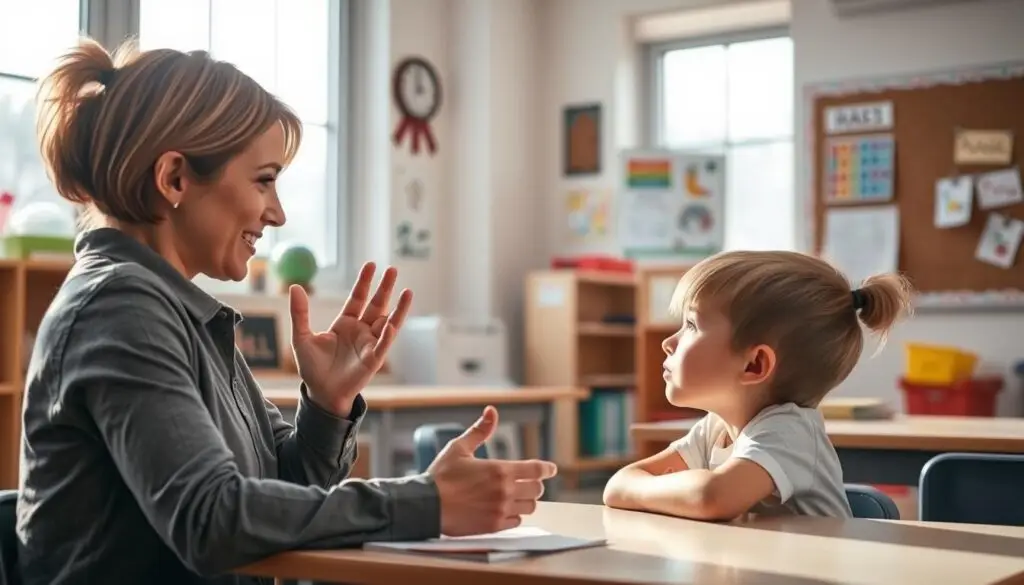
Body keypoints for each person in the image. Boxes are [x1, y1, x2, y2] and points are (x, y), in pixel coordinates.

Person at [18, 38, 556, 585]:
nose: (276, 213)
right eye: (265, 180)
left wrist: (326, 405)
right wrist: (429, 501)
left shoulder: (175, 312)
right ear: (175, 178)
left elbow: (281, 492)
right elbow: (213, 520)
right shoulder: (119, 310)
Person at [603, 251, 912, 520]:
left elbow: (712, 498)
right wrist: (679, 489)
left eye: (692, 325)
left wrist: (664, 490)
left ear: (755, 365)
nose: (669, 343)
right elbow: (618, 485)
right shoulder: (716, 429)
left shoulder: (789, 432)